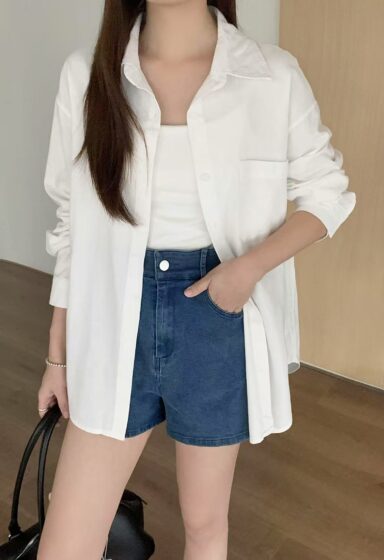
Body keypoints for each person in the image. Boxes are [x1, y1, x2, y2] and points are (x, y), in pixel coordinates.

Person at [36, 1, 356, 558]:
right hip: (113, 318)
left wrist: (247, 269)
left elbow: (328, 192)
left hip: (215, 317)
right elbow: (71, 226)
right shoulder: (87, 75)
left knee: (205, 525)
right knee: (65, 546)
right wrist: (57, 357)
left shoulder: (271, 75)